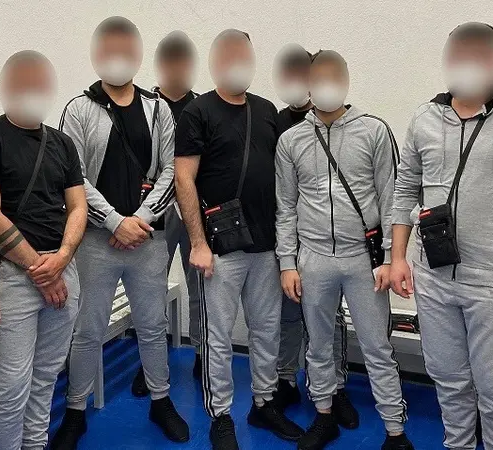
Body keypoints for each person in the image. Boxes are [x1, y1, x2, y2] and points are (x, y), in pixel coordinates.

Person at [53, 16, 189, 448]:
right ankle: (75, 410)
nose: (117, 56)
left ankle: (161, 399)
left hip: (148, 239)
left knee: (152, 324)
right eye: (108, 48)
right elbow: (73, 177)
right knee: (88, 330)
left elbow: (171, 170)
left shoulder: (157, 108)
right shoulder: (78, 109)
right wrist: (114, 221)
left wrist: (140, 220)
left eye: (124, 48)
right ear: (96, 54)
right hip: (96, 243)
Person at [276, 50, 413, 450]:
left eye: (335, 75)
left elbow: (392, 199)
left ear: (347, 79)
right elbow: (285, 207)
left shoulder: (374, 131)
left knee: (377, 348)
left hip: (363, 261)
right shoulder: (291, 140)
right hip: (313, 259)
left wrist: (389, 258)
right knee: (318, 346)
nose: (327, 84)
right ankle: (324, 415)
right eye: (319, 77)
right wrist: (288, 262)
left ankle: (395, 431)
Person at [175, 29, 305, 450]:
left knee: (266, 331)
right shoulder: (197, 112)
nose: (236, 61)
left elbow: (284, 179)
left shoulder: (266, 111)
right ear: (214, 61)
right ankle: (221, 414)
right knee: (218, 336)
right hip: (219, 249)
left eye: (243, 54)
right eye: (228, 54)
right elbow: (183, 179)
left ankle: (264, 403)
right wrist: (198, 243)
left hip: (266, 245)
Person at [391, 22, 493, 450]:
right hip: (434, 275)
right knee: (448, 378)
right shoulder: (424, 118)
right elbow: (405, 189)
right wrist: (397, 258)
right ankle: (457, 443)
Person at [0, 51, 87, 450]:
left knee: (45, 379)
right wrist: (41, 269)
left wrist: (63, 258)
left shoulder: (62, 143)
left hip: (62, 268)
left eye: (39, 84)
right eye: (22, 83)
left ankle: (35, 444)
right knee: (11, 388)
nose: (32, 91)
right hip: (13, 275)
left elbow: (78, 207)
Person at [272, 44, 357, 427]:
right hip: (290, 242)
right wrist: (285, 254)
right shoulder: (277, 123)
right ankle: (286, 379)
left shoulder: (343, 124)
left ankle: (335, 388)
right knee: (288, 315)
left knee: (331, 319)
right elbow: (282, 194)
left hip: (330, 248)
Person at [131, 30, 201, 397]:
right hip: (153, 211)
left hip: (193, 210)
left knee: (200, 287)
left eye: (182, 59)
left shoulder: (203, 108)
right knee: (151, 289)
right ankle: (149, 364)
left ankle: (202, 353)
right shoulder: (143, 107)